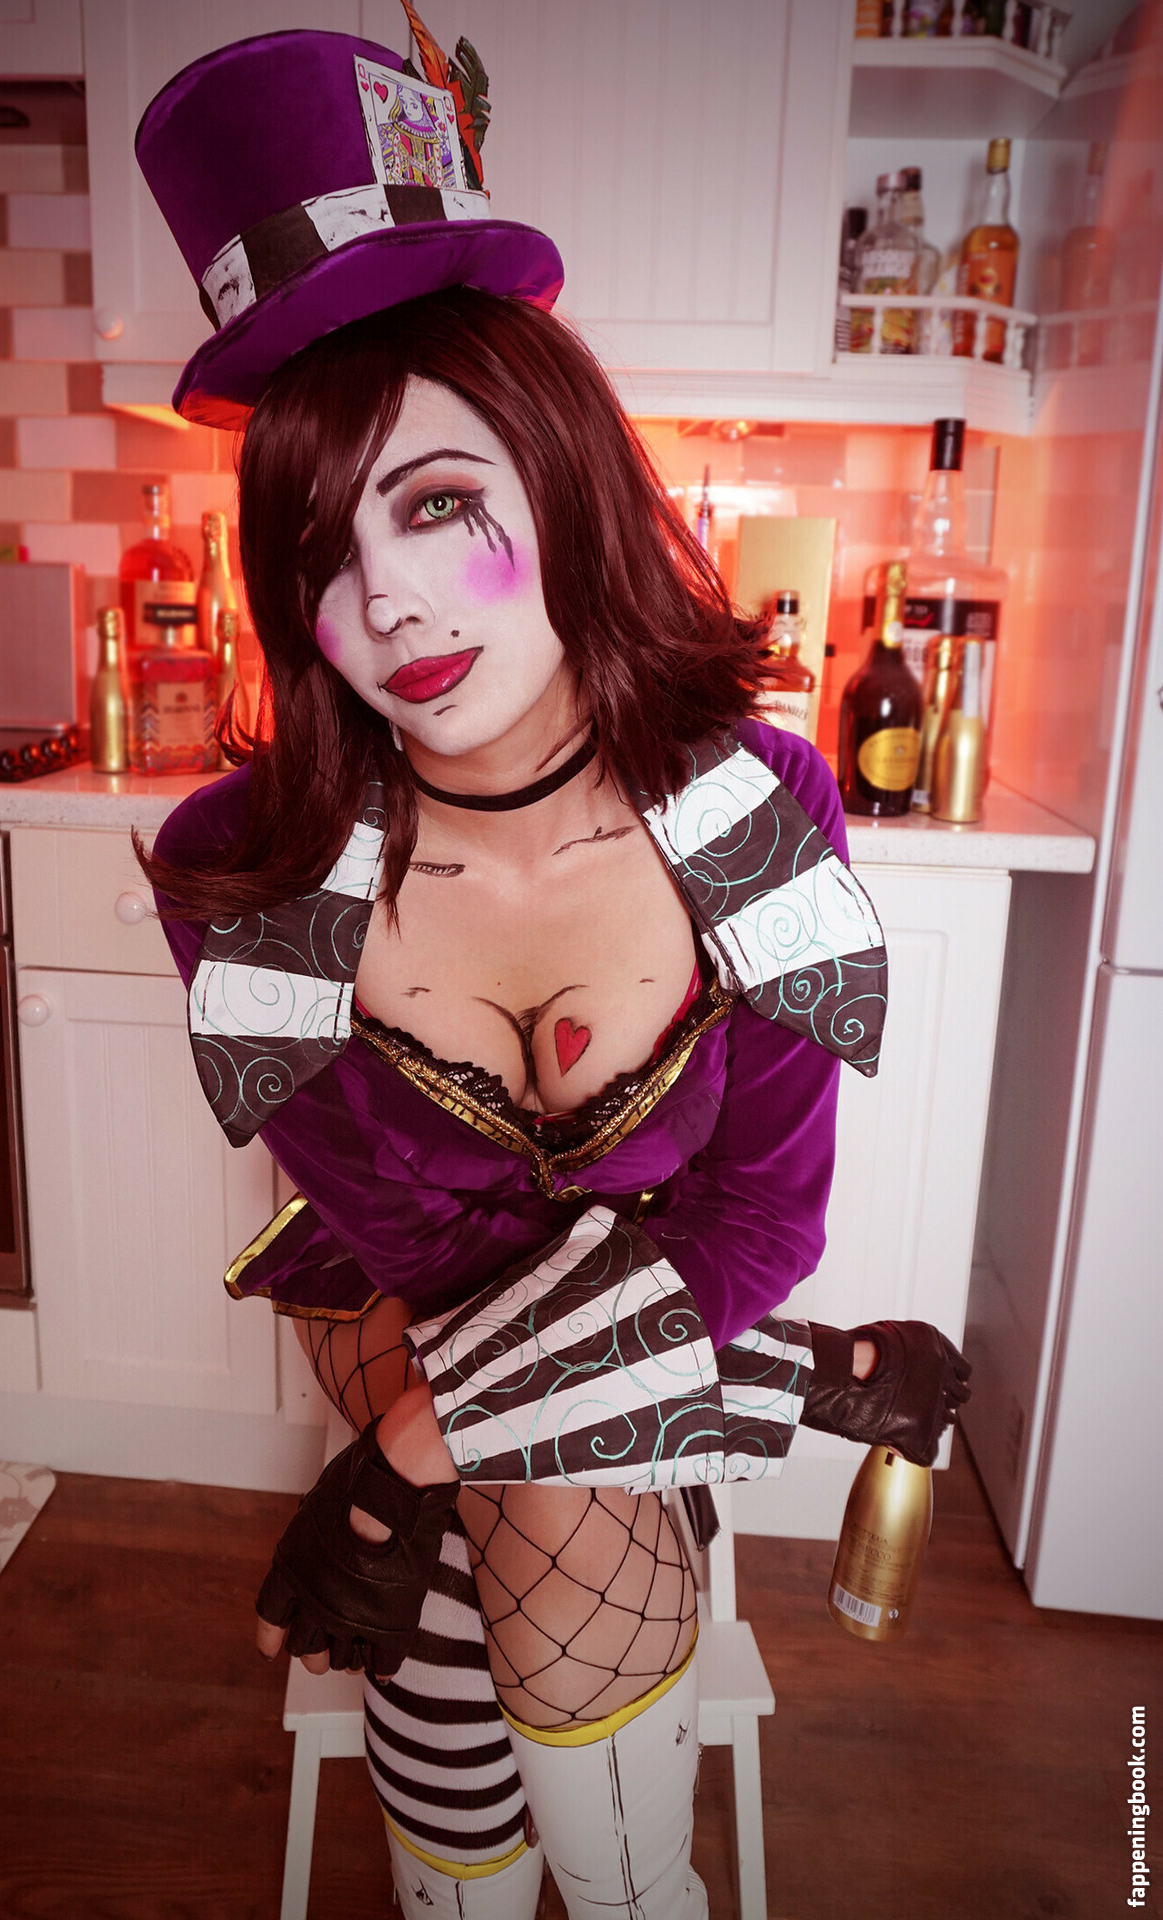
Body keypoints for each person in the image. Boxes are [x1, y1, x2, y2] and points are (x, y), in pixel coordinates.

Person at [135, 20, 970, 1919]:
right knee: (557, 1497)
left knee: (490, 1545)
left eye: (439, 502)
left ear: (562, 473)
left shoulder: (756, 816)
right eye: (325, 551)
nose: (388, 602)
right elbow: (426, 1258)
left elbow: (759, 1219)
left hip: (569, 1354)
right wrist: (754, 1376)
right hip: (391, 1297)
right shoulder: (245, 876)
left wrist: (398, 1465)